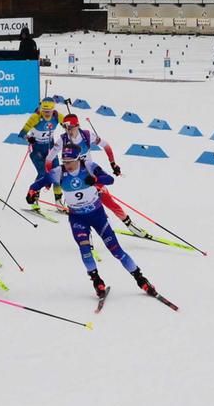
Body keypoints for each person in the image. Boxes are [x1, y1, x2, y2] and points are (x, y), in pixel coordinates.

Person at [50, 152, 162, 303]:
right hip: (78, 214)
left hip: (96, 203)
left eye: (72, 128)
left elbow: (108, 175)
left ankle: (141, 279)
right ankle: (97, 281)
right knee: (85, 250)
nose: (70, 131)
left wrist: (108, 169)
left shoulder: (86, 142)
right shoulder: (62, 148)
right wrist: (35, 190)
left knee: (116, 249)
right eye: (65, 160)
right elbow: (48, 165)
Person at [19, 98, 62, 207]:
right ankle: (34, 197)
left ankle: (58, 201)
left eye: (49, 111)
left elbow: (71, 125)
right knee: (43, 173)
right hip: (37, 150)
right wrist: (28, 138)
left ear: (53, 110)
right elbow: (22, 133)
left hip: (51, 150)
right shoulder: (35, 117)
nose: (46, 114)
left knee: (57, 173)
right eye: (44, 111)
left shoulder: (57, 116)